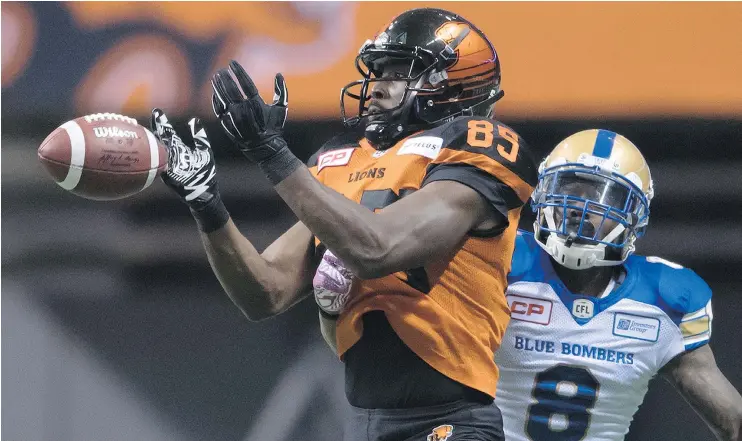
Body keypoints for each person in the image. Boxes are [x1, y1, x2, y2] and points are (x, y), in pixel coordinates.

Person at [151, 7, 537, 441]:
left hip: (452, 420)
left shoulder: (478, 148)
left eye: (396, 72)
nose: (374, 87)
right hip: (367, 422)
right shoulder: (342, 159)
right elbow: (265, 292)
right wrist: (206, 203)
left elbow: (379, 248)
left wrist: (271, 153)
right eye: (376, 70)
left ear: (448, 83)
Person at [493, 129, 742, 441]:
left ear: (634, 216)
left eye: (602, 196)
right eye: (569, 187)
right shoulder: (501, 262)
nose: (577, 206)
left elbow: (733, 422)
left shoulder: (664, 300)